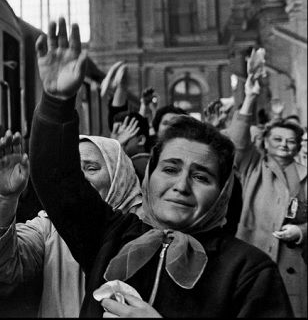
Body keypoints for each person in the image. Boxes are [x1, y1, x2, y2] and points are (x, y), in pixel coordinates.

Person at [26, 18, 292, 317]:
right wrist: (56, 102)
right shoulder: (111, 236)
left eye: (201, 176)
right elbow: (57, 180)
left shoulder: (248, 272)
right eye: (170, 169)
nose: (181, 185)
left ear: (222, 194)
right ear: (148, 176)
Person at [0, 130, 143, 317]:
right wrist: (5, 197)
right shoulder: (51, 225)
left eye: (91, 168)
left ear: (119, 177)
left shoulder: (145, 229)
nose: (79, 180)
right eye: (72, 171)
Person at [226, 52, 307, 318]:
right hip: (253, 258)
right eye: (277, 139)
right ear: (265, 143)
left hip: (295, 266)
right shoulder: (252, 167)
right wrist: (249, 97)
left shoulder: (305, 174)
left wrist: (301, 232)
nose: (284, 144)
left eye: (290, 141)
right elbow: (237, 141)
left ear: (297, 146)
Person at [110, 111, 151, 183]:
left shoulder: (142, 164)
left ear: (141, 140)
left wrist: (118, 147)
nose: (115, 140)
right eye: (114, 133)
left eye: (121, 135)